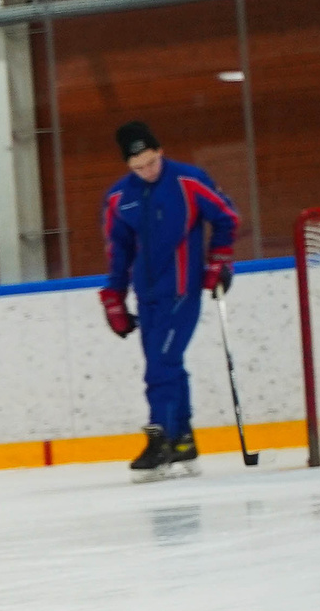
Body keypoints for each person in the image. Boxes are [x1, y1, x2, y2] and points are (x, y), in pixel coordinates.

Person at [99, 121, 241, 480]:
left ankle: (160, 437)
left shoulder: (188, 181)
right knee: (167, 364)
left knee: (160, 365)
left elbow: (226, 217)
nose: (147, 171)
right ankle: (182, 440)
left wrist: (219, 261)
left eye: (151, 162)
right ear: (128, 165)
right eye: (138, 167)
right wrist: (115, 297)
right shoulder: (119, 197)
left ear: (160, 151)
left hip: (182, 291)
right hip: (147, 297)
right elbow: (118, 251)